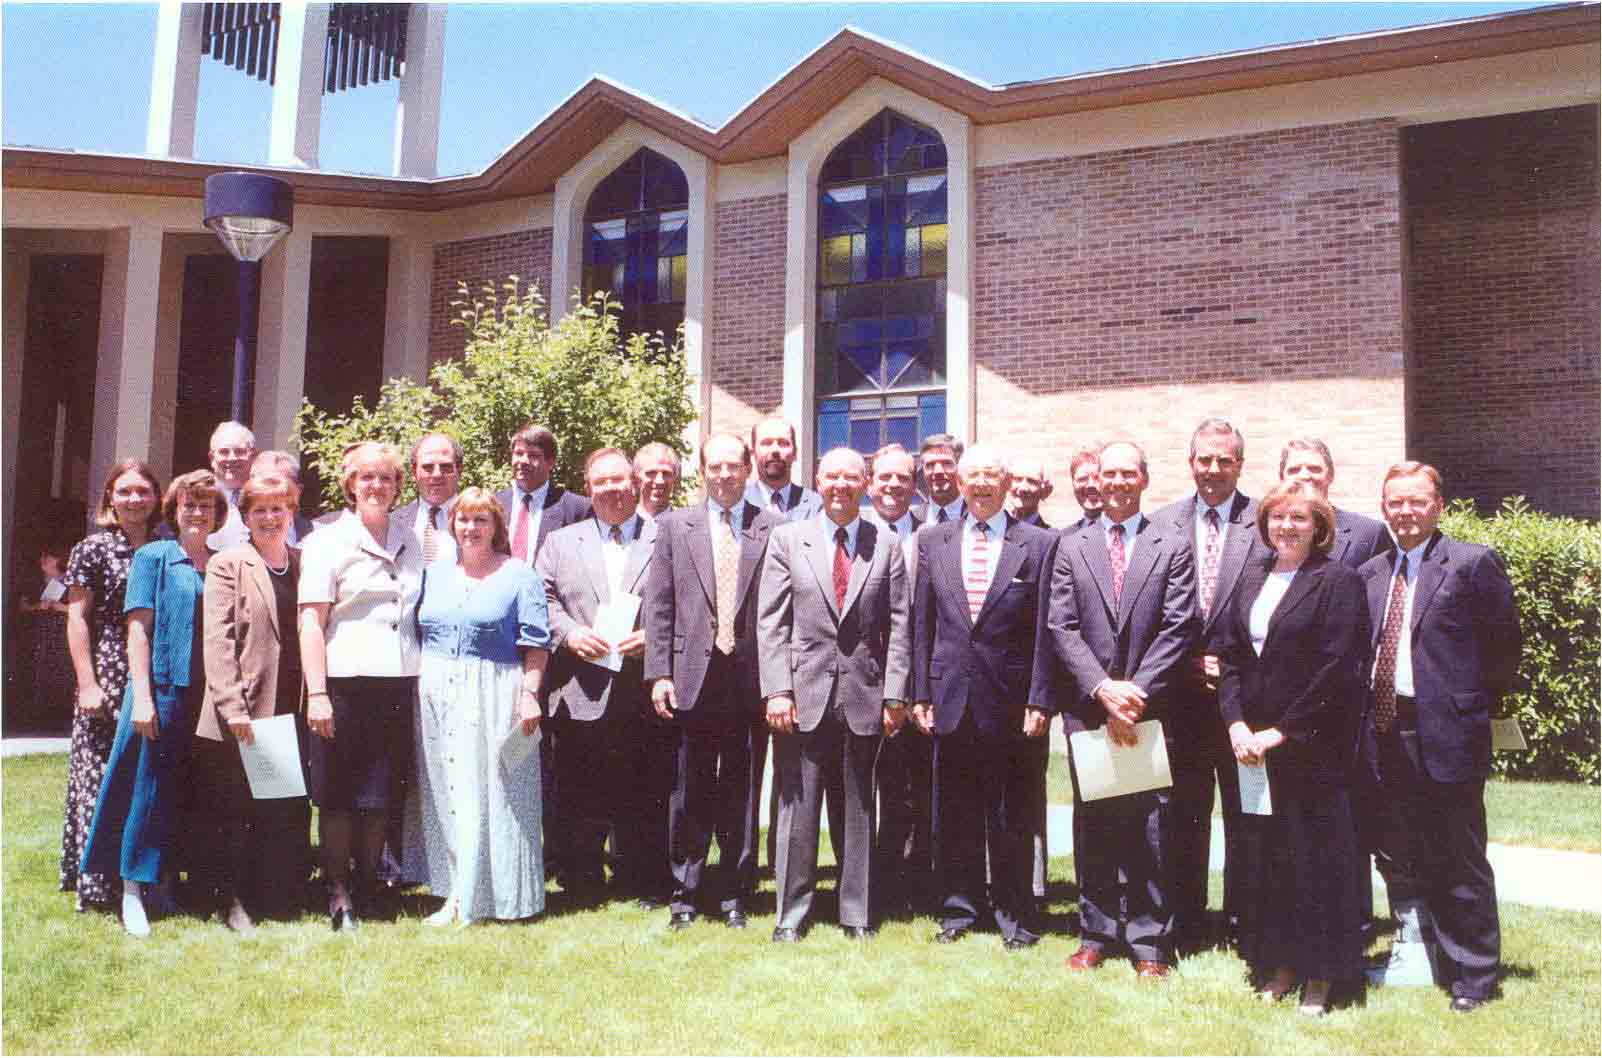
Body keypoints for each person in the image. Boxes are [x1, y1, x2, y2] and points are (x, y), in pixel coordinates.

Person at [1361, 461, 1520, 1014]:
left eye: (1416, 501)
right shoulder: (1371, 572)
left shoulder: (1472, 564)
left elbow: (1503, 653)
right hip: (1384, 731)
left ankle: (1474, 976)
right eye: (1395, 502)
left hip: (1448, 735)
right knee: (1402, 851)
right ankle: (1423, 952)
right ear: (1384, 508)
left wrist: (1468, 711)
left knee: (1458, 855)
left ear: (1438, 506)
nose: (1405, 511)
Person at [1216, 481, 1372, 1015]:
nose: (1287, 526)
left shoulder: (1338, 581)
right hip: (1253, 749)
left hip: (1309, 747)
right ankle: (1278, 963)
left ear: (1319, 526)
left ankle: (1321, 977)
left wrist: (1281, 731)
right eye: (1278, 517)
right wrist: (1236, 723)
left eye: (1299, 519)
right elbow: (1231, 656)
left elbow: (1338, 670)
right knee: (1270, 861)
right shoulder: (1253, 575)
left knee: (1317, 864)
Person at [1043, 440, 1198, 978]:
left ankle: (1150, 942)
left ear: (1144, 479)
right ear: (1096, 480)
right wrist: (1103, 690)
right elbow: (1061, 625)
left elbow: (1179, 624)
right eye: (1109, 474)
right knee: (1095, 824)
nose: (1116, 482)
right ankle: (1095, 932)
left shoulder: (1172, 543)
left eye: (1128, 473)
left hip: (1151, 709)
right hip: (1089, 709)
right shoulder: (1072, 545)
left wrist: (1134, 693)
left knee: (1152, 824)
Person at [757, 447, 910, 942]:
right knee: (797, 809)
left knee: (859, 807)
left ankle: (856, 913)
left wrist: (895, 694)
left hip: (864, 693)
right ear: (818, 482)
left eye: (851, 477)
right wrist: (777, 689)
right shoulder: (787, 539)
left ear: (865, 483)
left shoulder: (884, 543)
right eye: (832, 476)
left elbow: (901, 625)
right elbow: (772, 623)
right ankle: (791, 914)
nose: (841, 485)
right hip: (801, 695)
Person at [910, 444, 1057, 951]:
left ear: (1008, 480)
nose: (980, 485)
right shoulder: (933, 540)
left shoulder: (1037, 544)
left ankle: (1016, 916)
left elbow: (1045, 631)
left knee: (1012, 814)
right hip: (950, 697)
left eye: (990, 475)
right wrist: (919, 693)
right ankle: (959, 910)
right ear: (959, 480)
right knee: (956, 811)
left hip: (1012, 704)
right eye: (971, 475)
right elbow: (922, 622)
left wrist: (1040, 698)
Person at [643, 432, 779, 931]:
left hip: (747, 677)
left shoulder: (773, 528)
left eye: (732, 466)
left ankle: (734, 892)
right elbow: (659, 606)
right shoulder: (676, 527)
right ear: (703, 471)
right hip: (691, 676)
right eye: (714, 467)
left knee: (742, 788)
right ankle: (686, 891)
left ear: (748, 469)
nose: (724, 475)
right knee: (690, 787)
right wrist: (658, 673)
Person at [81, 469, 225, 936]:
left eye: (206, 505)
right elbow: (137, 630)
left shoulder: (223, 563)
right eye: (189, 504)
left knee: (186, 790)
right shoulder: (153, 557)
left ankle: (164, 880)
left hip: (205, 694)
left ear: (218, 513)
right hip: (160, 690)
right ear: (174, 509)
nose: (198, 512)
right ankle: (130, 891)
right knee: (145, 789)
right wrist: (141, 696)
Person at [298, 441, 423, 931]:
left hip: (396, 682)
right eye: (366, 477)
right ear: (350, 484)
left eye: (386, 478)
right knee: (339, 794)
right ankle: (337, 889)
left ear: (397, 487)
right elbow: (311, 622)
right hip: (344, 682)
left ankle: (372, 886)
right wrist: (318, 692)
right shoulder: (326, 541)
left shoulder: (411, 539)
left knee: (380, 794)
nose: (376, 485)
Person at [413, 486, 551, 924]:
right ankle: (456, 891)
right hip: (436, 686)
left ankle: (497, 897)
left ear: (496, 527)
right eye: (463, 519)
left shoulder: (518, 575)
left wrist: (529, 694)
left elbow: (536, 643)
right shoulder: (433, 573)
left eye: (481, 520)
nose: (470, 528)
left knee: (489, 792)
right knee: (446, 789)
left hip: (494, 689)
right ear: (451, 523)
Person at [1153, 418, 1265, 952]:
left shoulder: (1264, 522)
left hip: (1243, 702)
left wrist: (1230, 664)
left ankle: (1244, 925)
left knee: (1246, 818)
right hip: (1178, 701)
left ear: (1240, 464)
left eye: (1224, 460)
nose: (1213, 470)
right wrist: (1184, 664)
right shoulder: (1162, 523)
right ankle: (1187, 925)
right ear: (1190, 462)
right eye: (1204, 459)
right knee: (1182, 816)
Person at [536, 448, 665, 906]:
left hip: (643, 684)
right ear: (588, 488)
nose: (611, 489)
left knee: (644, 786)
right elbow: (543, 601)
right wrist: (569, 635)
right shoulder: (560, 542)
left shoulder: (663, 536)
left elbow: (690, 602)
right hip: (580, 684)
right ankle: (582, 879)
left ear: (636, 484)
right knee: (580, 787)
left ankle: (642, 879)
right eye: (601, 482)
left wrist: (655, 636)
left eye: (619, 480)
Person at [196, 471, 312, 931]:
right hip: (244, 705)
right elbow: (218, 641)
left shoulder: (304, 562)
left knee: (281, 806)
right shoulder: (229, 564)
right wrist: (233, 707)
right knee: (237, 809)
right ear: (245, 516)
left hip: (291, 704)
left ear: (291, 513)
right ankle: (234, 901)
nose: (269, 517)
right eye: (259, 509)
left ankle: (276, 894)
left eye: (278, 508)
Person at [60, 458, 162, 910]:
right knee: (102, 776)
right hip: (107, 670)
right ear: (110, 499)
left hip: (157, 670)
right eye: (125, 491)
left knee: (147, 776)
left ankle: (144, 879)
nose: (134, 499)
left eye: (143, 491)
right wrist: (87, 683)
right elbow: (77, 618)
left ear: (157, 498)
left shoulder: (167, 545)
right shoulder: (93, 549)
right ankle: (98, 884)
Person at [863, 444, 932, 916]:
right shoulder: (858, 533)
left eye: (902, 478)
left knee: (914, 790)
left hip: (920, 681)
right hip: (866, 681)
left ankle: (915, 883)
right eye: (884, 477)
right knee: (867, 788)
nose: (892, 486)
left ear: (916, 484)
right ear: (871, 484)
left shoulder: (933, 537)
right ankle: (872, 885)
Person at [1280, 439, 1392, 569]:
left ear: (1330, 475)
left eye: (1314, 469)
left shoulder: (1370, 534)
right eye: (1294, 470)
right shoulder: (1265, 535)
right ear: (1282, 477)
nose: (1305, 475)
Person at [496, 423, 592, 567]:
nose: (523, 461)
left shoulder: (577, 509)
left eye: (533, 455)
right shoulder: (494, 504)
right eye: (519, 453)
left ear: (551, 462)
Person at [393, 432, 463, 567]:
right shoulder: (394, 523)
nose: (437, 474)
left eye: (445, 467)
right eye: (428, 467)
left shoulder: (480, 521)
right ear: (414, 472)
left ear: (459, 469)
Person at [744, 417, 822, 520]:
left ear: (795, 453)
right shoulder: (739, 503)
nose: (775, 450)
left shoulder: (817, 505)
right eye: (766, 443)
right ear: (753, 453)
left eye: (783, 443)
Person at [206, 421, 257, 550]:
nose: (232, 458)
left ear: (253, 456)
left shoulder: (262, 497)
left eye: (239, 451)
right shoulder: (201, 498)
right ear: (212, 458)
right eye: (224, 452)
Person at [249, 450, 316, 544]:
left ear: (298, 490)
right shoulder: (235, 537)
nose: (272, 493)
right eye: (264, 486)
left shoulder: (318, 537)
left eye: (281, 487)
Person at [913, 434, 965, 524]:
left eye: (946, 463)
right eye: (930, 465)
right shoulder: (912, 519)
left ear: (958, 466)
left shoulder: (977, 515)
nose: (938, 472)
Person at [633, 442, 681, 521]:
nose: (660, 481)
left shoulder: (687, 528)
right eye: (651, 473)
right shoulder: (621, 526)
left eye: (666, 473)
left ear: (675, 479)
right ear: (636, 479)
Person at [1066, 446, 1104, 532]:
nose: (1091, 485)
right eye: (1082, 479)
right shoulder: (1063, 539)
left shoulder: (1129, 535)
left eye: (1097, 478)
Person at [1008, 458, 1053, 528]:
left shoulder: (1051, 537)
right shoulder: (994, 532)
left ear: (1045, 492)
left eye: (1032, 481)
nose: (1023, 488)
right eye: (1018, 479)